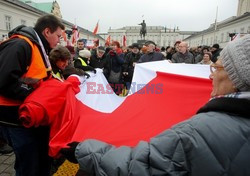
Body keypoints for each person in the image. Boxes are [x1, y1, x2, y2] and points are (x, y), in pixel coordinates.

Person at [60, 35, 250, 175]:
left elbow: (139, 166)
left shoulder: (199, 131)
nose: (210, 75)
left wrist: (83, 149)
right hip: (120, 80)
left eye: (216, 68)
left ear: (237, 77)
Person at [0, 14, 64, 176]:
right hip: (14, 120)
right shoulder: (21, 45)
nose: (59, 41)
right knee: (28, 166)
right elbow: (4, 80)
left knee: (39, 162)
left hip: (29, 117)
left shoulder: (37, 47)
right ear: (47, 31)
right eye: (58, 36)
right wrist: (36, 96)